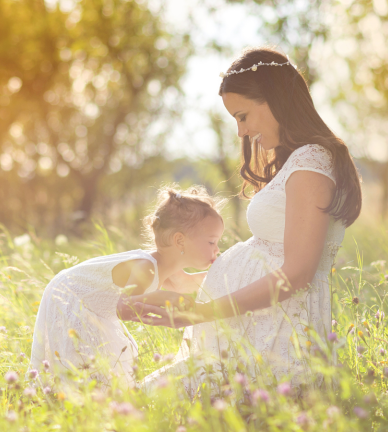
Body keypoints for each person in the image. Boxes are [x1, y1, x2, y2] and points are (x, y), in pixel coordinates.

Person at [136, 47, 363, 396]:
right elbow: (270, 256)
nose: (241, 131)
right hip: (254, 329)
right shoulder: (300, 161)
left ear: (275, 99)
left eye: (243, 116)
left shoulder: (312, 162)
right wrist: (186, 284)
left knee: (147, 403)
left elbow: (297, 273)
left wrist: (201, 312)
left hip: (274, 339)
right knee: (147, 401)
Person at [29, 185, 226, 387]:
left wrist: (225, 271)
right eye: (212, 242)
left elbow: (185, 283)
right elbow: (124, 307)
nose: (217, 249)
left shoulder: (165, 266)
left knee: (102, 367)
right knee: (85, 362)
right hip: (71, 296)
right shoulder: (146, 267)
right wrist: (166, 299)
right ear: (180, 241)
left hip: (89, 305)